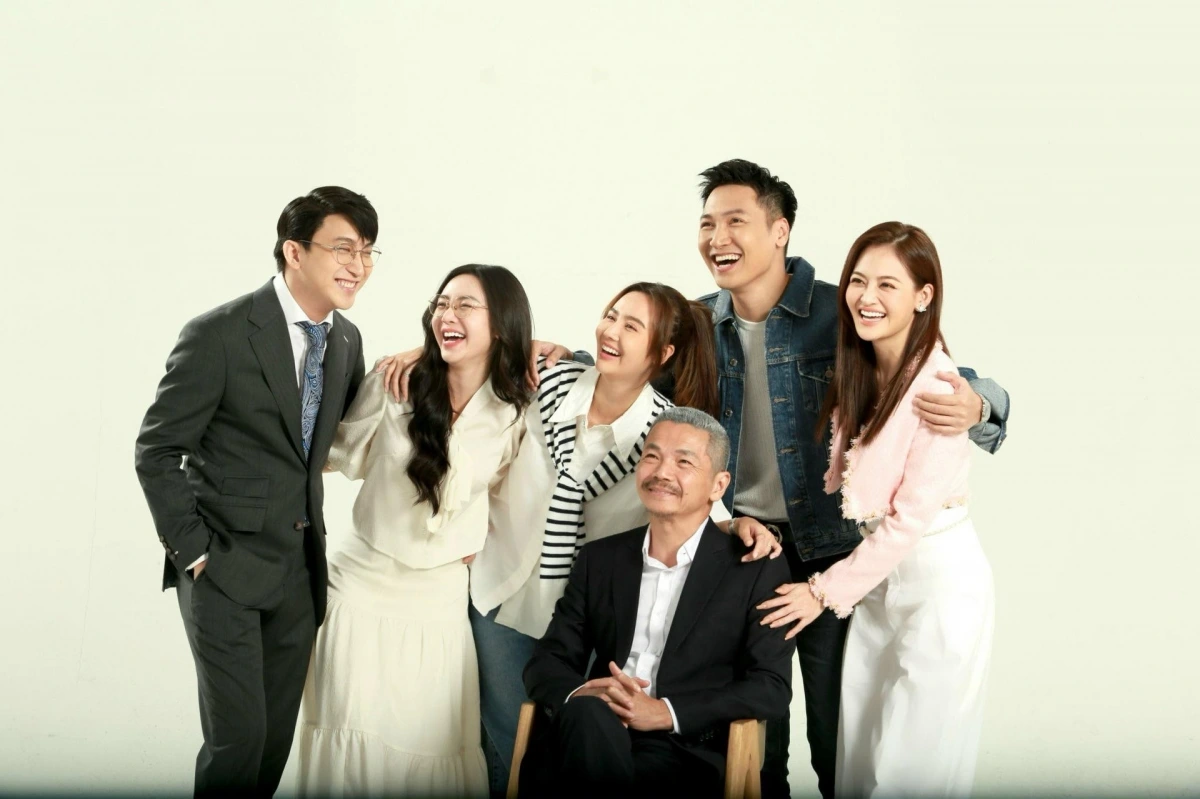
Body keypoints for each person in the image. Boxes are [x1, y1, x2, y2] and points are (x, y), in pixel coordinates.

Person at [534, 159, 1011, 798]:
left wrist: (982, 404)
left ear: (780, 231)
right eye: (707, 224)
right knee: (757, 740)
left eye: (736, 221)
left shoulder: (840, 312)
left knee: (842, 739)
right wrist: (565, 358)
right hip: (744, 550)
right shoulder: (699, 323)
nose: (717, 238)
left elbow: (932, 368)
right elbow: (638, 360)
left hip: (834, 551)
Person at [377, 282, 783, 796]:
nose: (611, 332)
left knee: (589, 734)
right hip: (502, 588)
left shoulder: (660, 434)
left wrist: (741, 525)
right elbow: (469, 362)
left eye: (631, 326)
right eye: (611, 316)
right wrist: (422, 353)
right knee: (506, 738)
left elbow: (694, 501)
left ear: (663, 353)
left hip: (586, 611)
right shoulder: (546, 381)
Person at [134, 186, 378, 797]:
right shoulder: (218, 333)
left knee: (271, 746)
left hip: (300, 574)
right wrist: (194, 553)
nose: (358, 265)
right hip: (223, 571)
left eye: (368, 251)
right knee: (237, 744)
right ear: (295, 252)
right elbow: (157, 450)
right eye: (343, 249)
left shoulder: (347, 341)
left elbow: (335, 445)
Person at [769, 222, 994, 796]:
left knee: (907, 769)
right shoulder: (863, 368)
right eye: (858, 281)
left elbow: (908, 521)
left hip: (937, 587)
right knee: (859, 765)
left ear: (923, 296)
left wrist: (820, 592)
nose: (866, 297)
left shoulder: (941, 388)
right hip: (876, 587)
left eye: (887, 285)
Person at [295, 264, 533, 798]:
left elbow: (516, 498)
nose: (447, 314)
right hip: (360, 586)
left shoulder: (516, 409)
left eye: (465, 305)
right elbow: (332, 455)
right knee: (346, 739)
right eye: (441, 303)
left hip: (438, 601)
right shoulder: (395, 383)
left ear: (501, 325)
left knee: (432, 747)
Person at [519, 407, 794, 799]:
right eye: (652, 456)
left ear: (718, 485)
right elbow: (547, 661)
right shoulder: (600, 559)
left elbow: (770, 687)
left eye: (684, 462)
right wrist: (583, 695)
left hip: (683, 749)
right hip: (588, 730)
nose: (662, 472)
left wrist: (665, 712)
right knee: (589, 717)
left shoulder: (754, 567)